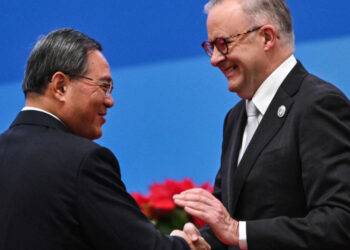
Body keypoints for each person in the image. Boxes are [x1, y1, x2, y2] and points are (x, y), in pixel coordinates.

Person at [0, 28, 210, 250]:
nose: (110, 101)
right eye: (103, 86)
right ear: (60, 86)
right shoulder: (82, 161)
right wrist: (186, 244)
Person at [173, 0, 350, 249]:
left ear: (267, 38)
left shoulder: (319, 104)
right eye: (210, 47)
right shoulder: (235, 118)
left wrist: (237, 231)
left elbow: (340, 223)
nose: (214, 59)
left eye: (223, 44)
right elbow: (230, 220)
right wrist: (197, 241)